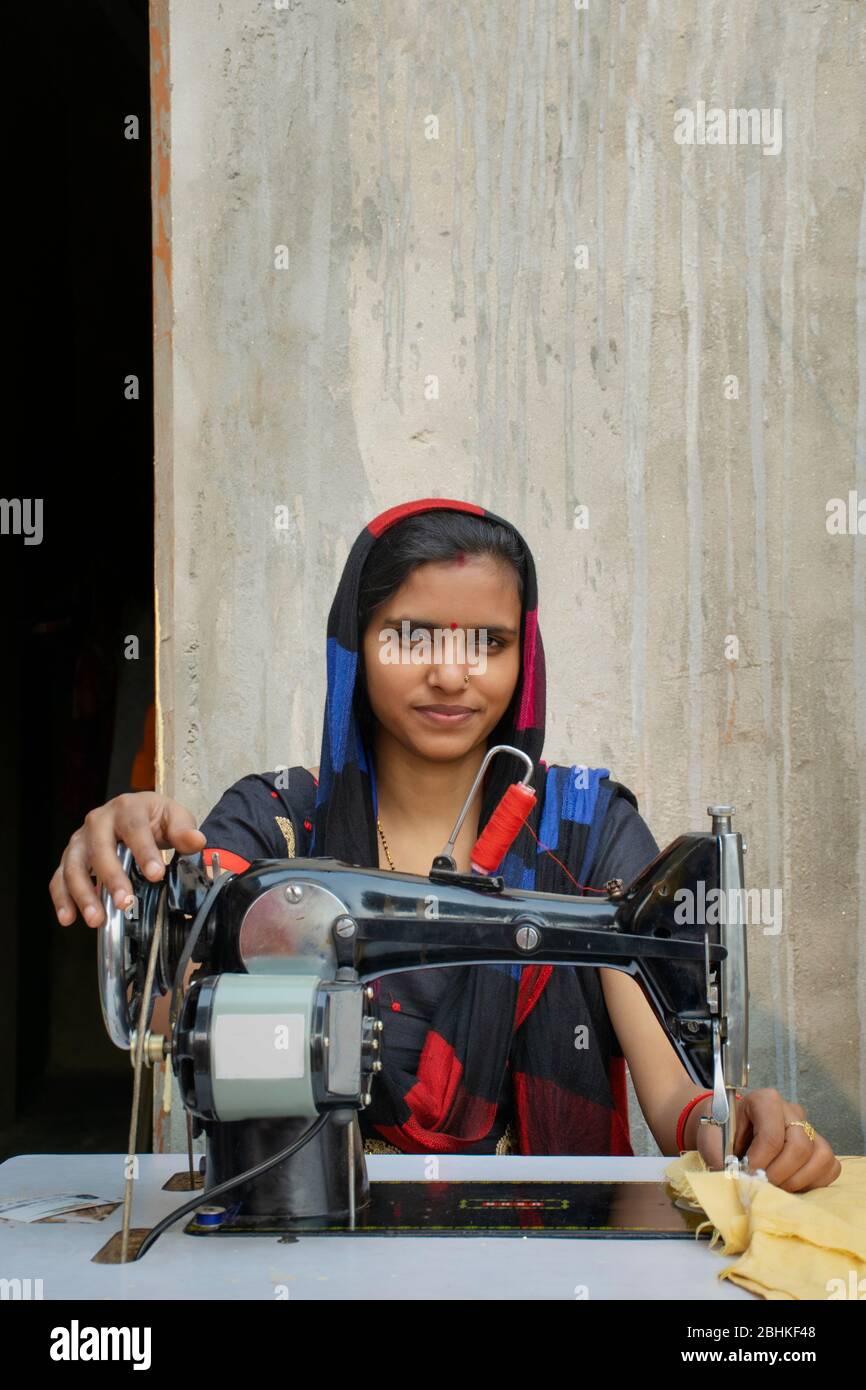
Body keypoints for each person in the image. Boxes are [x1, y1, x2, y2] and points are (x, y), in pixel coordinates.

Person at [50, 497, 840, 1190]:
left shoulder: (586, 831)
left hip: (552, 1270)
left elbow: (675, 1100)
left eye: (489, 643)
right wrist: (130, 878)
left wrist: (732, 1127)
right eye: (413, 636)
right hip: (311, 1258)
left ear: (522, 660)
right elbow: (165, 1010)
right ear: (355, 647)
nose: (453, 675)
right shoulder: (272, 829)